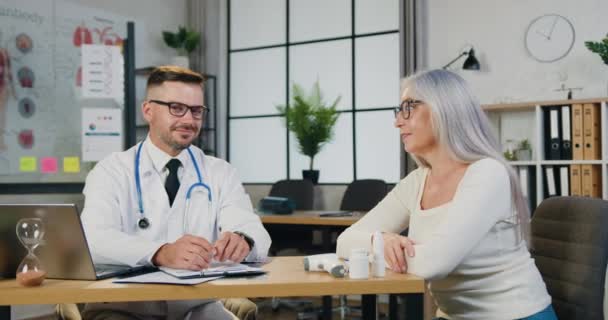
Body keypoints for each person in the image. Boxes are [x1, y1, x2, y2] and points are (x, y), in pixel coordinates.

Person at [336, 69, 556, 320]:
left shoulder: (488, 173)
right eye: (398, 111)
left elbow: (435, 265)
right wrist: (383, 241)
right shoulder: (417, 181)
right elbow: (345, 241)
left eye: (409, 107)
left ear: (445, 110)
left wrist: (375, 250)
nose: (398, 121)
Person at [80, 65, 271, 320]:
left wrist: (243, 240)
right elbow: (93, 240)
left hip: (196, 307)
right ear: (148, 110)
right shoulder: (111, 171)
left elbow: (253, 229)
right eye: (177, 108)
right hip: (123, 308)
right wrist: (160, 252)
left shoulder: (220, 172)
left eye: (196, 111)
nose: (189, 120)